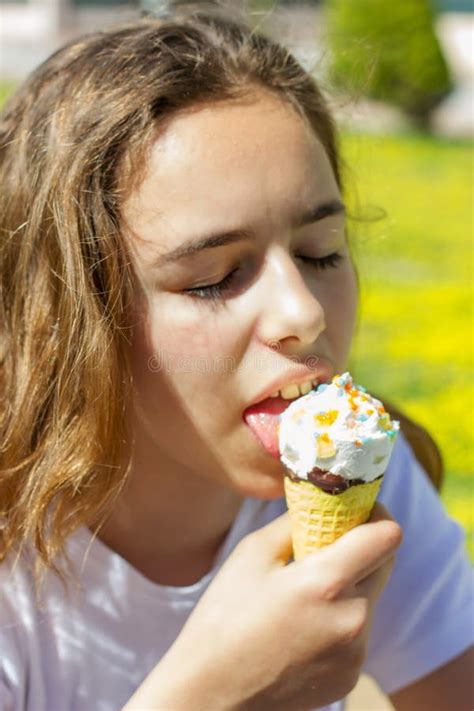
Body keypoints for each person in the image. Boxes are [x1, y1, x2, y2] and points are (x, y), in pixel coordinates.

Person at [0, 9, 472, 711]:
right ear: (66, 322)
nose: (304, 313)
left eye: (322, 252)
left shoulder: (368, 473)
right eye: (212, 277)